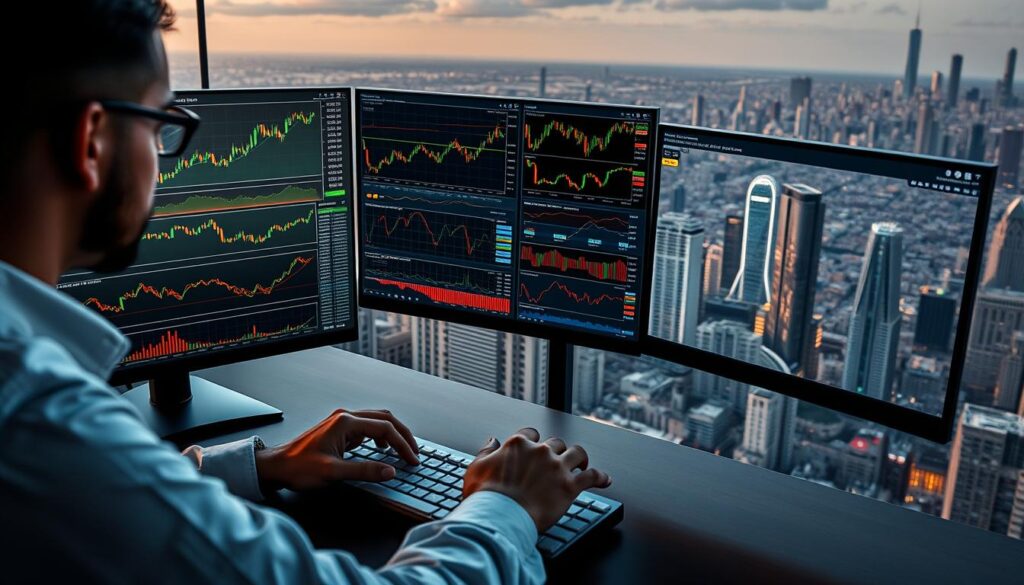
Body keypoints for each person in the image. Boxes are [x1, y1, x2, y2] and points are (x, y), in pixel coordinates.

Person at [0, 2, 612, 582]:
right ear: (92, 141)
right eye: (161, 128)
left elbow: (107, 510)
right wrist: (505, 508)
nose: (163, 162)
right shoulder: (41, 420)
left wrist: (265, 465)